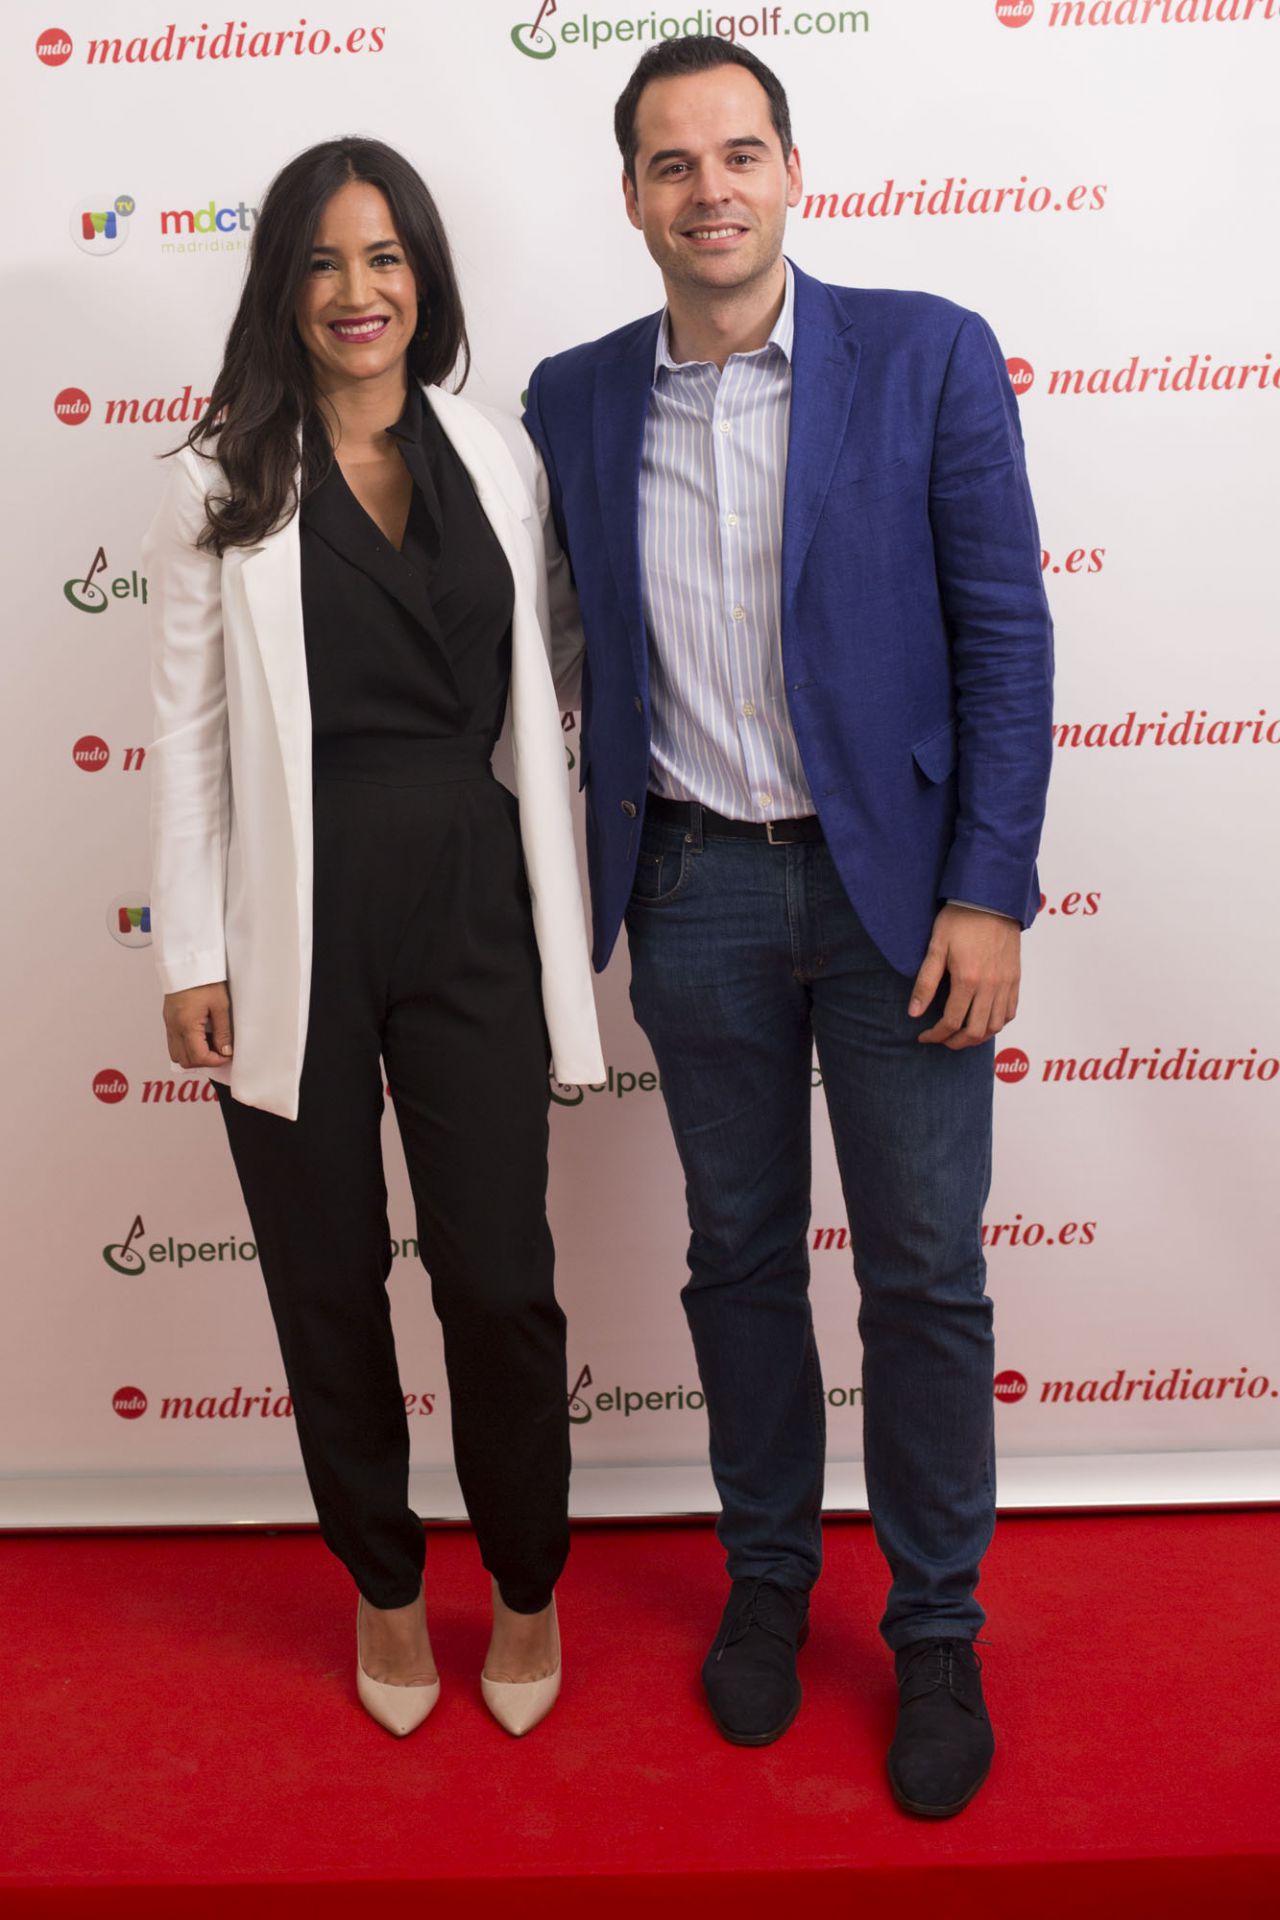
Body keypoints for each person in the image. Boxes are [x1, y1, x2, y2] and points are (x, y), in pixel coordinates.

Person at [523, 38, 1053, 1815]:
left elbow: (1007, 639)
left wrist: (988, 889)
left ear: (794, 168)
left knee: (922, 1274)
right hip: (693, 887)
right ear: (632, 199)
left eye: (739, 152)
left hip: (899, 898)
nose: (711, 189)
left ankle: (935, 1626)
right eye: (673, 164)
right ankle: (767, 1581)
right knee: (739, 1260)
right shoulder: (575, 399)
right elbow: (549, 655)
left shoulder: (926, 353)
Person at [143, 137, 604, 1741]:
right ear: (285, 284)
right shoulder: (220, 479)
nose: (361, 291)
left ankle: (528, 1583)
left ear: (426, 277)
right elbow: (187, 738)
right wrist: (190, 955)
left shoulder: (494, 452)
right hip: (292, 923)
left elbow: (546, 695)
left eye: (388, 256)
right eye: (328, 262)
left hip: (468, 898)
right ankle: (387, 1589)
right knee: (326, 1282)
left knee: (499, 1278)